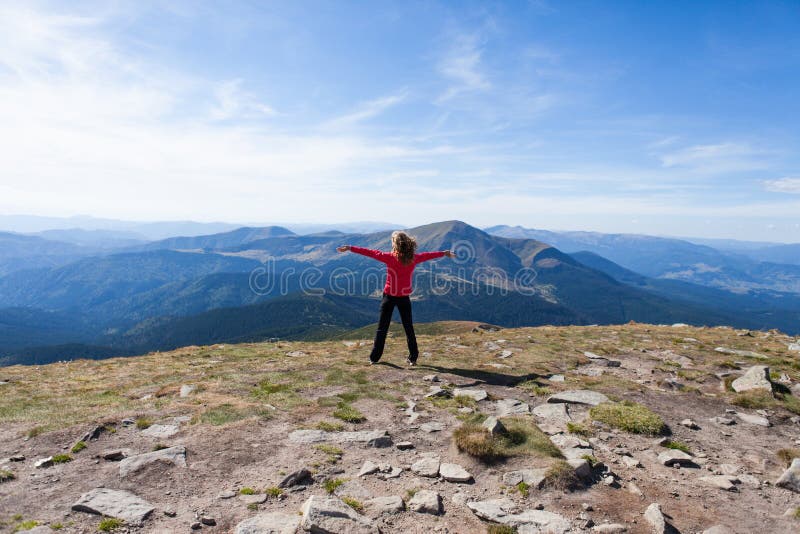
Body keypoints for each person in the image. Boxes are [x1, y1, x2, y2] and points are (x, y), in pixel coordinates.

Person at [337, 231, 454, 366]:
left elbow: (369, 252)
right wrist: (444, 253)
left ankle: (374, 358)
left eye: (392, 241)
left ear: (396, 244)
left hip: (389, 297)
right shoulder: (413, 258)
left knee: (382, 328)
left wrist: (350, 248)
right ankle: (413, 358)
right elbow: (428, 255)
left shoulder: (389, 257)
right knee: (408, 327)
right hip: (404, 298)